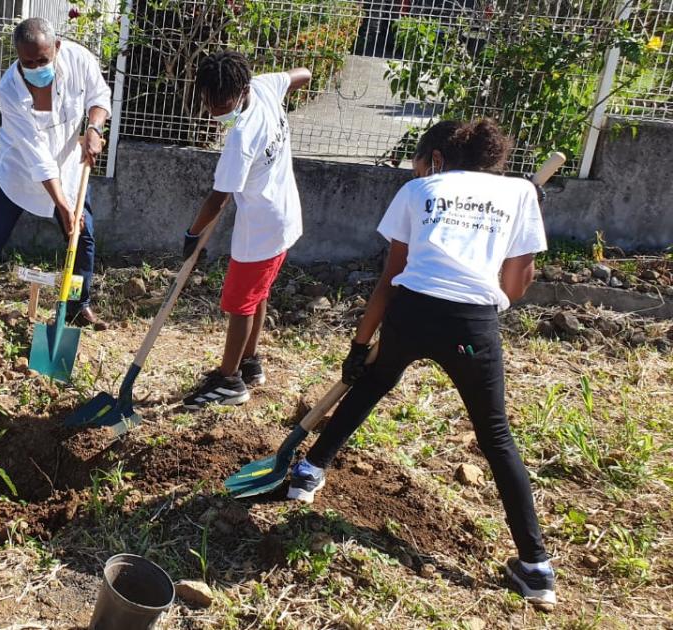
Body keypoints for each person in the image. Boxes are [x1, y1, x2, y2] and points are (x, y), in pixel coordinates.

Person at [286, 119, 556, 606]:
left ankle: (308, 474)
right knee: (495, 436)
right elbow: (515, 288)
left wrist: (358, 345)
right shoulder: (521, 195)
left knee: (371, 383)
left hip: (411, 311)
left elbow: (391, 277)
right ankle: (536, 569)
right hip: (472, 326)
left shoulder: (420, 191)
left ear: (435, 159)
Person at [180, 52, 311, 409]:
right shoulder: (266, 86)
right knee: (259, 294)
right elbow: (304, 73)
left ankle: (229, 381)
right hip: (284, 216)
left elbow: (217, 200)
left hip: (261, 228)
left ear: (240, 91)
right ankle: (250, 362)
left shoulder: (240, 138)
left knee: (240, 304)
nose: (214, 109)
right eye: (208, 101)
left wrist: (193, 235)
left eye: (221, 103)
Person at [0, 17, 112, 330]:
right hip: (19, 172)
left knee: (82, 238)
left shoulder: (79, 59)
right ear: (17, 55)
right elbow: (37, 155)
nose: (35, 67)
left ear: (57, 47)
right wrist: (63, 205)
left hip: (70, 167)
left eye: (42, 60)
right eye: (27, 61)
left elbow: (99, 97)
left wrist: (93, 127)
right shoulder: (9, 90)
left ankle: (77, 304)